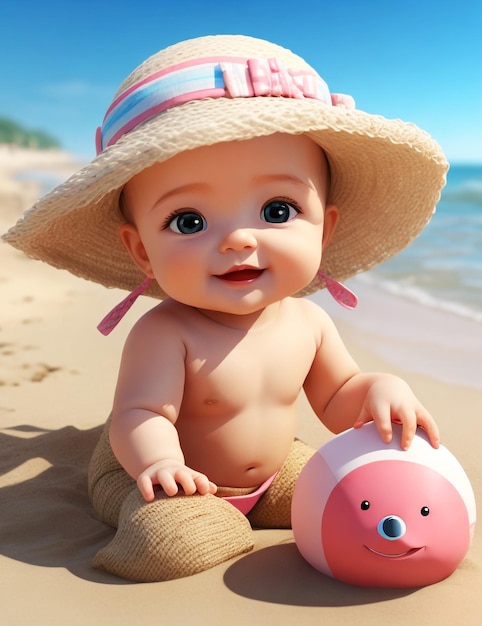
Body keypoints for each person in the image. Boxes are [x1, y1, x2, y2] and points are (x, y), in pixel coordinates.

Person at [3, 34, 448, 582]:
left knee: (358, 491)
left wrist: (377, 390)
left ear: (324, 229)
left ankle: (264, 512)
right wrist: (160, 463)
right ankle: (197, 521)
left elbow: (336, 398)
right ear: (142, 249)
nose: (238, 239)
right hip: (159, 478)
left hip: (272, 472)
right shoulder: (166, 332)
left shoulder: (308, 323)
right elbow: (140, 415)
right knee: (171, 542)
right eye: (189, 221)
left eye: (277, 209)